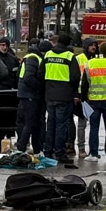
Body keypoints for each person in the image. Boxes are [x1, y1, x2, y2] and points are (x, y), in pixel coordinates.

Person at [40, 33, 81, 169]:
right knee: (61, 126)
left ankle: (48, 152)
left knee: (50, 125)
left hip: (50, 95)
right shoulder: (69, 56)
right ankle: (60, 153)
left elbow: (40, 74)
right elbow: (75, 77)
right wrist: (73, 90)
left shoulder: (48, 55)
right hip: (64, 96)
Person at [79, 40, 106, 160]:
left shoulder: (89, 63)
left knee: (94, 127)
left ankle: (94, 154)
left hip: (94, 100)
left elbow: (85, 84)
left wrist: (83, 99)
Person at [68, 38, 100, 159]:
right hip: (79, 95)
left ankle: (86, 148)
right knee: (80, 123)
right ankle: (79, 147)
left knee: (87, 123)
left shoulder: (96, 60)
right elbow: (74, 77)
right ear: (86, 46)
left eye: (94, 45)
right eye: (91, 45)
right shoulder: (78, 58)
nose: (93, 47)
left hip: (91, 95)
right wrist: (75, 93)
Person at [16, 38, 48, 154]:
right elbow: (28, 77)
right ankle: (21, 147)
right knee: (30, 122)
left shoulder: (30, 57)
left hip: (27, 94)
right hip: (30, 95)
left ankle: (36, 148)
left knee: (33, 122)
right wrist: (39, 88)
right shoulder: (34, 59)